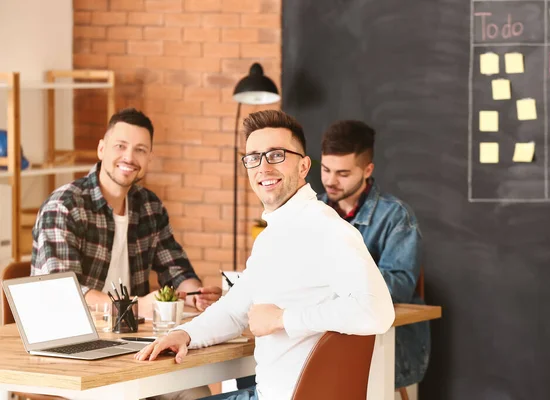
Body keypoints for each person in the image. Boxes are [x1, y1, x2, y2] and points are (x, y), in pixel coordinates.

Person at [135, 110, 395, 400]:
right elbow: (235, 309)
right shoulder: (273, 236)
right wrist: (184, 335)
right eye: (253, 158)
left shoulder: (325, 228)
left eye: (276, 155)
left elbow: (378, 310)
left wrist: (282, 319)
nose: (263, 167)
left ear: (304, 166)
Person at [31, 108, 222, 400]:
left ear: (148, 159)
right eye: (121, 146)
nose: (129, 157)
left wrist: (196, 295)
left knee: (196, 392)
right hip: (71, 353)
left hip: (131, 346)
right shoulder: (65, 206)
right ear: (101, 148)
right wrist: (136, 307)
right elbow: (64, 294)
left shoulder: (148, 206)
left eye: (140, 150)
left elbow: (176, 268)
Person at [319, 120, 431, 392]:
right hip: (322, 334)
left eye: (343, 173)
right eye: (325, 170)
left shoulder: (396, 217)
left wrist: (329, 277)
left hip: (387, 345)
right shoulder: (312, 212)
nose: (331, 181)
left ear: (367, 170)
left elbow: (397, 288)